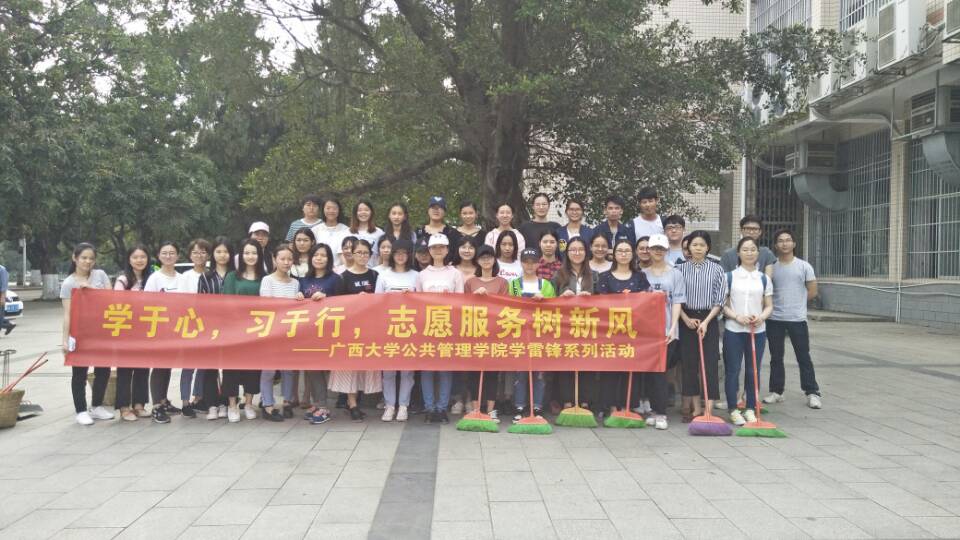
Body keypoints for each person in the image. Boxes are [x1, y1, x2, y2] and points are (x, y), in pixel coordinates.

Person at [764, 229, 822, 409]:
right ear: (776, 245)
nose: (784, 243)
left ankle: (812, 392)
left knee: (803, 356)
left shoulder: (804, 266)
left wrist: (797, 303)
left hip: (797, 319)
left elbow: (813, 291)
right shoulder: (771, 267)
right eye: (780, 240)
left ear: (794, 244)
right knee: (776, 357)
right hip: (774, 318)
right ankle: (777, 391)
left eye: (788, 240)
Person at [597, 240, 653, 421]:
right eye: (620, 251)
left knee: (631, 369)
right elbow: (600, 303)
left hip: (634, 331)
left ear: (632, 254)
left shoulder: (640, 277)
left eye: (627, 251)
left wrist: (638, 298)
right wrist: (622, 299)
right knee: (611, 369)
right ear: (614, 254)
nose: (623, 254)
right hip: (611, 331)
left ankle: (628, 404)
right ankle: (612, 407)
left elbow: (647, 301)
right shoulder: (605, 277)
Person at [722, 237, 774, 426]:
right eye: (745, 249)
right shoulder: (729, 276)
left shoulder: (764, 278)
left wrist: (761, 317)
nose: (749, 253)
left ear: (758, 253)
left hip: (757, 331)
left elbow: (769, 306)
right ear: (738, 253)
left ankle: (751, 407)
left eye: (753, 249)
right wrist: (736, 317)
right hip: (734, 330)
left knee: (753, 370)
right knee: (733, 370)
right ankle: (733, 409)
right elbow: (723, 305)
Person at [61, 243, 114, 426]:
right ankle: (81, 410)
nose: (88, 261)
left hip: (102, 332)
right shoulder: (69, 283)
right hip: (80, 333)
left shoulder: (101, 275)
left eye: (91, 258)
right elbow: (67, 314)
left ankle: (97, 406)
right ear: (75, 258)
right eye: (84, 257)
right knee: (79, 373)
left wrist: (91, 290)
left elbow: (112, 299)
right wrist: (65, 340)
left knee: (103, 370)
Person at [329, 239, 382, 421]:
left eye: (366, 253)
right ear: (352, 254)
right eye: (359, 252)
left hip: (370, 328)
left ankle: (358, 400)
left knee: (364, 366)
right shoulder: (343, 277)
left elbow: (382, 300)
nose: (362, 256)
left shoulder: (375, 275)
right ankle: (352, 404)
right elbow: (338, 304)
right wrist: (355, 300)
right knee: (350, 367)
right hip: (350, 329)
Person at [676, 231, 726, 423]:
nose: (698, 248)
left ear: (708, 248)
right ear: (688, 247)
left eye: (702, 245)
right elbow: (674, 298)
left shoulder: (717, 269)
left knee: (710, 363)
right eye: (694, 245)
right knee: (689, 364)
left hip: (709, 319)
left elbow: (720, 299)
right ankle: (696, 408)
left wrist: (706, 321)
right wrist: (686, 318)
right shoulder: (679, 269)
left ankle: (709, 409)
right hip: (686, 318)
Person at [415, 234, 465, 424]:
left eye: (441, 247)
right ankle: (429, 408)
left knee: (445, 370)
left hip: (448, 327)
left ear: (447, 250)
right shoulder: (422, 275)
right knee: (427, 370)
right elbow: (417, 302)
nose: (438, 250)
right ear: (429, 250)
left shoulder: (455, 273)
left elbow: (460, 301)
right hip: (427, 327)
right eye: (434, 247)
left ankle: (442, 408)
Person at [640, 234, 685, 430]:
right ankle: (652, 409)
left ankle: (661, 412)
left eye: (661, 248)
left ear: (666, 250)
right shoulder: (642, 274)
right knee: (650, 371)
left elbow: (677, 302)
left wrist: (673, 327)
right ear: (649, 250)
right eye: (654, 248)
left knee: (661, 371)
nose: (658, 251)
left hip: (667, 330)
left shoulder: (675, 274)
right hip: (647, 331)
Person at [297, 242, 343, 425]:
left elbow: (345, 303)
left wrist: (327, 298)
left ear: (329, 259)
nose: (319, 258)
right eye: (316, 255)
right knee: (312, 368)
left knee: (324, 368)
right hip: (309, 332)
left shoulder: (336, 279)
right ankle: (319, 404)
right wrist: (299, 297)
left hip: (330, 331)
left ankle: (324, 406)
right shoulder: (304, 280)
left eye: (323, 255)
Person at [551, 237, 599, 411]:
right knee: (566, 364)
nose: (577, 253)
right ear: (567, 253)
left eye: (580, 249)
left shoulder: (594, 275)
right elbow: (550, 300)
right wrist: (562, 297)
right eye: (573, 250)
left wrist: (591, 298)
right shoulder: (559, 274)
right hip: (565, 326)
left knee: (586, 363)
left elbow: (603, 301)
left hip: (587, 325)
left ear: (586, 252)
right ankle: (567, 401)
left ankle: (585, 401)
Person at [509, 247, 556, 422]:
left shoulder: (546, 285)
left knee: (539, 374)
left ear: (538, 264)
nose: (529, 265)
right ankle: (519, 406)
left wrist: (543, 301)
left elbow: (554, 308)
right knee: (520, 374)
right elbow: (508, 306)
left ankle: (537, 407)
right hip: (520, 334)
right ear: (521, 263)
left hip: (540, 334)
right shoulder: (513, 284)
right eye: (526, 262)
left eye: (533, 262)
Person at [375, 239, 419, 422]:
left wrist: (412, 296)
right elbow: (376, 302)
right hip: (388, 327)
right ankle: (389, 405)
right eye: (397, 253)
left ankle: (403, 405)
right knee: (389, 370)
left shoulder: (416, 275)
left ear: (409, 255)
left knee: (407, 370)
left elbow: (424, 302)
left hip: (410, 328)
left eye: (404, 253)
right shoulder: (383, 275)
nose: (400, 256)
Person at [222, 239, 266, 422]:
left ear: (259, 255)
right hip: (235, 330)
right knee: (231, 368)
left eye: (254, 253)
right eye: (247, 253)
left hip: (257, 331)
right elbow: (226, 302)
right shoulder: (232, 276)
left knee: (253, 369)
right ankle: (232, 405)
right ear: (241, 255)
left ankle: (248, 403)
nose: (250, 256)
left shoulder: (265, 277)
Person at [143, 241, 187, 424]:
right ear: (159, 256)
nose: (168, 256)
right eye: (164, 253)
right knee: (159, 366)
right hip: (160, 329)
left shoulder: (182, 278)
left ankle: (163, 401)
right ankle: (156, 407)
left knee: (168, 365)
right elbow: (146, 303)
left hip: (177, 328)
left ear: (178, 256)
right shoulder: (154, 278)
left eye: (172, 253)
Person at [465, 245, 508, 422]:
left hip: (495, 333)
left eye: (489, 257)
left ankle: (490, 410)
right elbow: (464, 306)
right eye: (482, 257)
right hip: (475, 332)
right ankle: (476, 409)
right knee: (474, 372)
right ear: (477, 261)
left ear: (494, 260)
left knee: (492, 373)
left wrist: (488, 298)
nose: (486, 260)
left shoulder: (502, 282)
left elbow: (505, 305)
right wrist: (475, 297)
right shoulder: (470, 282)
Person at [258, 245, 300, 422]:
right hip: (272, 332)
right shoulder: (267, 280)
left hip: (289, 332)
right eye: (282, 259)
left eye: (289, 259)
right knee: (269, 370)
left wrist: (299, 299)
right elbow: (267, 306)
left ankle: (287, 402)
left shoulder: (295, 283)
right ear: (274, 260)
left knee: (288, 370)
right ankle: (268, 405)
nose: (286, 262)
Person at [113, 245, 152, 421]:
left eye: (143, 257)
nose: (139, 260)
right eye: (135, 257)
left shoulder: (150, 279)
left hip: (146, 330)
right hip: (126, 331)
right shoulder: (123, 280)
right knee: (125, 370)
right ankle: (124, 408)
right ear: (129, 260)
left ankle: (139, 405)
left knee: (143, 368)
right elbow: (117, 303)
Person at [198, 237, 234, 421]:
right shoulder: (205, 277)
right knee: (210, 367)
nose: (222, 255)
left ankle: (225, 403)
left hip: (232, 328)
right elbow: (200, 303)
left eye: (226, 251)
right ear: (213, 254)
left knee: (229, 368)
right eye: (218, 251)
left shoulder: (236, 275)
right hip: (210, 328)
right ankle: (211, 404)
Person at [178, 238, 211, 418]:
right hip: (190, 324)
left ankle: (198, 397)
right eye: (195, 252)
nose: (199, 255)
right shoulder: (185, 277)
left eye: (203, 252)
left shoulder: (211, 274)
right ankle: (185, 401)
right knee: (188, 365)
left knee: (204, 364)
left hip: (209, 325)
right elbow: (181, 302)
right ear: (190, 255)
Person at [311, 196, 351, 263]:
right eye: (328, 208)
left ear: (339, 210)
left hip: (340, 268)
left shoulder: (346, 230)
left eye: (334, 208)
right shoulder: (315, 230)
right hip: (319, 266)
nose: (331, 211)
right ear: (323, 210)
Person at [350, 200, 385, 267]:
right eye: (360, 210)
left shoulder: (379, 233)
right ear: (355, 213)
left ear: (371, 212)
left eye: (366, 210)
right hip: (352, 270)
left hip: (372, 270)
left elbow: (382, 256)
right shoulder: (348, 232)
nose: (363, 212)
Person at [0, 264, 15, 335]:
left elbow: (4, 285)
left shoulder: (2, 270)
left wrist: (2, 297)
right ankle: (8, 325)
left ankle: (8, 325)